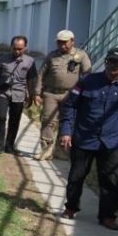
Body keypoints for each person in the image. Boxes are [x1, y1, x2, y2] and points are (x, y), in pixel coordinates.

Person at [59, 47, 118, 230]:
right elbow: (69, 106)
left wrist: (115, 126)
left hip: (110, 141)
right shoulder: (87, 81)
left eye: (117, 63)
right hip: (84, 138)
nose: (112, 66)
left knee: (111, 180)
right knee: (76, 176)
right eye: (110, 61)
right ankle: (71, 208)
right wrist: (66, 131)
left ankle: (108, 216)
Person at [35, 29, 91, 160]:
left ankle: (61, 151)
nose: (62, 45)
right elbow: (41, 74)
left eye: (65, 42)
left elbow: (87, 75)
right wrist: (37, 93)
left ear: (72, 41)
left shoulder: (81, 55)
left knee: (67, 121)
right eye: (59, 42)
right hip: (51, 93)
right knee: (47, 120)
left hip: (71, 95)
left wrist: (83, 94)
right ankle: (46, 149)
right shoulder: (52, 56)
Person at [0, 36, 38, 155]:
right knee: (1, 117)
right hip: (2, 93)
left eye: (20, 49)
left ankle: (10, 146)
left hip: (19, 94)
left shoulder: (30, 61)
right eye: (14, 48)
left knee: (14, 120)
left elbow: (31, 80)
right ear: (10, 47)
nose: (17, 51)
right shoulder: (2, 59)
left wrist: (31, 96)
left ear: (25, 48)